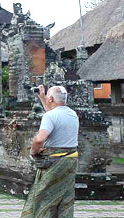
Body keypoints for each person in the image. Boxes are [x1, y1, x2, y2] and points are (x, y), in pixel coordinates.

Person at [21, 85, 79, 218]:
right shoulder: (72, 114)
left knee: (44, 199)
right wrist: (42, 97)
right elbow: (53, 115)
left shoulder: (50, 116)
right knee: (64, 198)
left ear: (51, 99)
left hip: (54, 162)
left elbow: (40, 139)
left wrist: (33, 151)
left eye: (47, 96)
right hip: (70, 161)